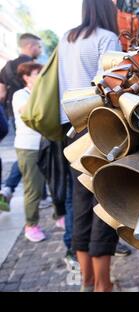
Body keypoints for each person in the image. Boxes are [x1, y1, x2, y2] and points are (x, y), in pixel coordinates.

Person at [58, 0, 130, 292]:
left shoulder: (67, 38)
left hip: (72, 129)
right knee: (105, 203)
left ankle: (87, 281)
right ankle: (103, 284)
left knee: (80, 205)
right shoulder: (107, 38)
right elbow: (113, 89)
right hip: (101, 130)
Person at [0, 33, 53, 212]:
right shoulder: (33, 68)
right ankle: (40, 196)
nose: (40, 49)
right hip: (30, 108)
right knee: (33, 152)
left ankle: (9, 188)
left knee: (26, 152)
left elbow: (1, 94)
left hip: (15, 113)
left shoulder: (6, 67)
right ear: (30, 47)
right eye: (39, 46)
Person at [11, 62, 48, 242]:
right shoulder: (20, 95)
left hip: (46, 145)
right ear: (26, 77)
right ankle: (31, 225)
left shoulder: (42, 92)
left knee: (52, 184)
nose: (41, 75)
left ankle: (60, 216)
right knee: (33, 189)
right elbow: (27, 112)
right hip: (29, 146)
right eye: (36, 73)